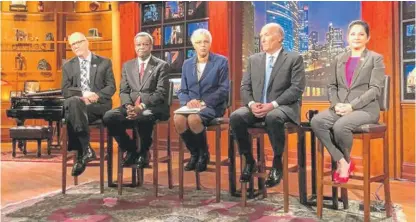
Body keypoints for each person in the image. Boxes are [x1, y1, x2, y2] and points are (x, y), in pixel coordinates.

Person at [230, 23, 305, 187]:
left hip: (283, 107)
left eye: (267, 35)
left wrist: (272, 104)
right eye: (261, 35)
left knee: (273, 116)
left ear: (279, 38)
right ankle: (249, 160)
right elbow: (245, 87)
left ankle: (277, 162)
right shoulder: (253, 59)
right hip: (256, 107)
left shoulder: (294, 58)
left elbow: (296, 88)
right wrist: (251, 104)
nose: (262, 38)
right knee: (236, 117)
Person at [311, 20, 385, 184]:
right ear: (347, 37)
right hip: (341, 107)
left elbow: (375, 89)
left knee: (340, 126)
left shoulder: (375, 59)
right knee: (317, 121)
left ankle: (343, 165)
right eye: (353, 34)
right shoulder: (339, 59)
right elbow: (332, 86)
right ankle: (343, 161)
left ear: (368, 37)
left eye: (361, 34)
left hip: (365, 109)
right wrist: (336, 104)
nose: (356, 37)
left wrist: (352, 106)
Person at [103, 32, 170, 169]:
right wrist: (128, 106)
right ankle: (130, 149)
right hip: (131, 105)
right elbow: (124, 91)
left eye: (145, 44)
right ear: (135, 47)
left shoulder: (161, 66)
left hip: (153, 106)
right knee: (109, 117)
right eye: (138, 45)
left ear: (151, 47)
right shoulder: (128, 66)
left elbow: (160, 93)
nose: (141, 47)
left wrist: (141, 107)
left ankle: (144, 152)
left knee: (143, 116)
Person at [174, 28, 229, 172]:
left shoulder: (221, 62)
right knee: (178, 119)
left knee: (193, 119)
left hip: (212, 106)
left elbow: (223, 89)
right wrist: (188, 102)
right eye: (199, 42)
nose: (203, 45)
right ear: (194, 45)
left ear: (210, 44)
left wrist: (203, 102)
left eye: (206, 42)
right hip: (191, 105)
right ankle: (194, 153)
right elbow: (183, 90)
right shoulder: (187, 64)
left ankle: (204, 153)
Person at [62, 32, 116, 176]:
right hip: (78, 104)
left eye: (78, 42)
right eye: (72, 44)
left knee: (71, 115)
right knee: (73, 102)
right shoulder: (68, 65)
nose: (76, 46)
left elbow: (111, 87)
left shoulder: (104, 62)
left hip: (98, 105)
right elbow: (65, 90)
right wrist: (82, 95)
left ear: (87, 42)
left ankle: (83, 154)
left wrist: (95, 96)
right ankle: (86, 149)